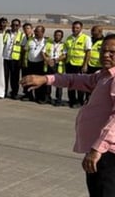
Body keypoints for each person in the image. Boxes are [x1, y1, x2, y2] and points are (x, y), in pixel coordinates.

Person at [22, 34, 115, 197]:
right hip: (99, 150)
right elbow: (76, 80)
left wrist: (97, 149)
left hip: (106, 154)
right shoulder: (105, 75)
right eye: (103, 51)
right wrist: (46, 79)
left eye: (112, 52)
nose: (105, 55)